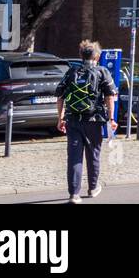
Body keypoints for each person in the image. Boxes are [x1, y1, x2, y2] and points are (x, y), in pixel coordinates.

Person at [55, 39, 118, 204]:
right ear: (97, 56)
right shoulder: (102, 72)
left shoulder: (71, 72)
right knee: (93, 154)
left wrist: (60, 118)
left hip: (73, 120)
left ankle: (74, 194)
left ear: (81, 55)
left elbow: (60, 96)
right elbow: (109, 97)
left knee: (74, 157)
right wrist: (111, 118)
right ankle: (92, 188)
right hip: (94, 120)